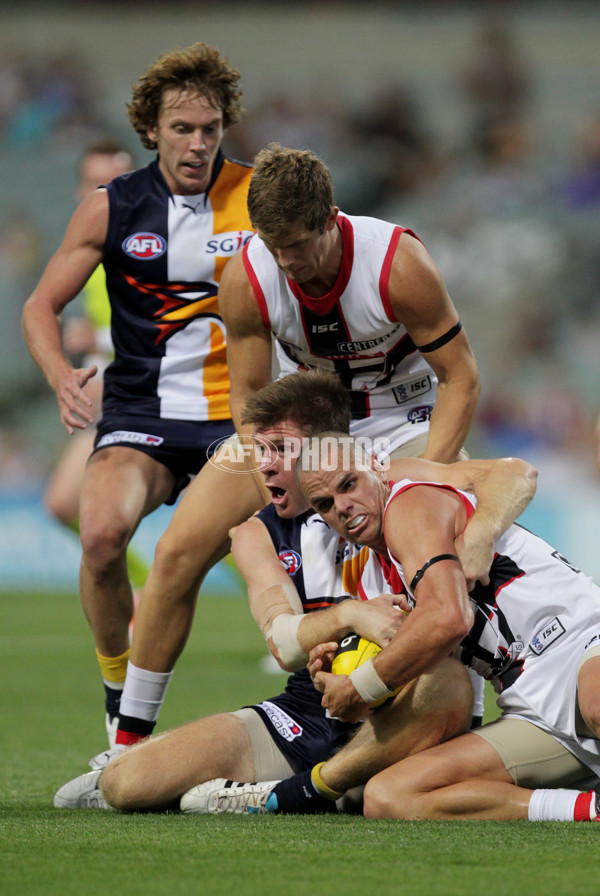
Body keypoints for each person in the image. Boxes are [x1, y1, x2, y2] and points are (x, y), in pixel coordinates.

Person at [108, 141, 481, 757]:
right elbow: (252, 407)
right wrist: (284, 498)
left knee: (449, 547)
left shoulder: (397, 263)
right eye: (272, 245)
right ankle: (124, 742)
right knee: (177, 548)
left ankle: (458, 719)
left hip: (402, 418)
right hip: (305, 428)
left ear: (331, 219)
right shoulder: (249, 277)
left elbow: (461, 378)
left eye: (299, 245)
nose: (287, 261)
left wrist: (431, 475)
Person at [53, 371, 536, 812]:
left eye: (279, 449)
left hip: (400, 715)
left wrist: (479, 535)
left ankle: (302, 792)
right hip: (306, 713)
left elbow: (514, 473)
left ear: (323, 447)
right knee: (124, 784)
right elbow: (283, 643)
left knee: (445, 684)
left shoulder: (394, 484)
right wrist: (352, 616)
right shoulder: (254, 534)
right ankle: (334, 791)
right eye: (259, 451)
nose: (264, 467)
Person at [22, 43, 255, 746]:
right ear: (149, 129)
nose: (198, 143)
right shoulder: (110, 208)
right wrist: (62, 377)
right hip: (142, 415)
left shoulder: (258, 198)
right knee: (97, 538)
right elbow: (39, 306)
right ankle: (119, 711)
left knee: (269, 555)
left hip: (235, 420)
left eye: (210, 128)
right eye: (182, 129)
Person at [286, 432, 600, 823]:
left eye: (349, 484)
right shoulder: (371, 580)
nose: (344, 507)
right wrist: (336, 676)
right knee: (388, 796)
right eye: (325, 504)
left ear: (376, 471)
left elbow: (448, 617)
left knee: (597, 705)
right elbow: (402, 671)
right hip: (528, 705)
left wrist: (360, 688)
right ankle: (590, 808)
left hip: (584, 641)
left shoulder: (409, 504)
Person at [42, 139, 150, 593]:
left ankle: (278, 615)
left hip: (160, 397)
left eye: (115, 183)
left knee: (218, 522)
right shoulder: (88, 249)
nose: (104, 193)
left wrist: (99, 342)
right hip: (111, 396)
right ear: (78, 190)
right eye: (94, 183)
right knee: (63, 504)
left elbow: (171, 328)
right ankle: (144, 589)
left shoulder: (148, 246)